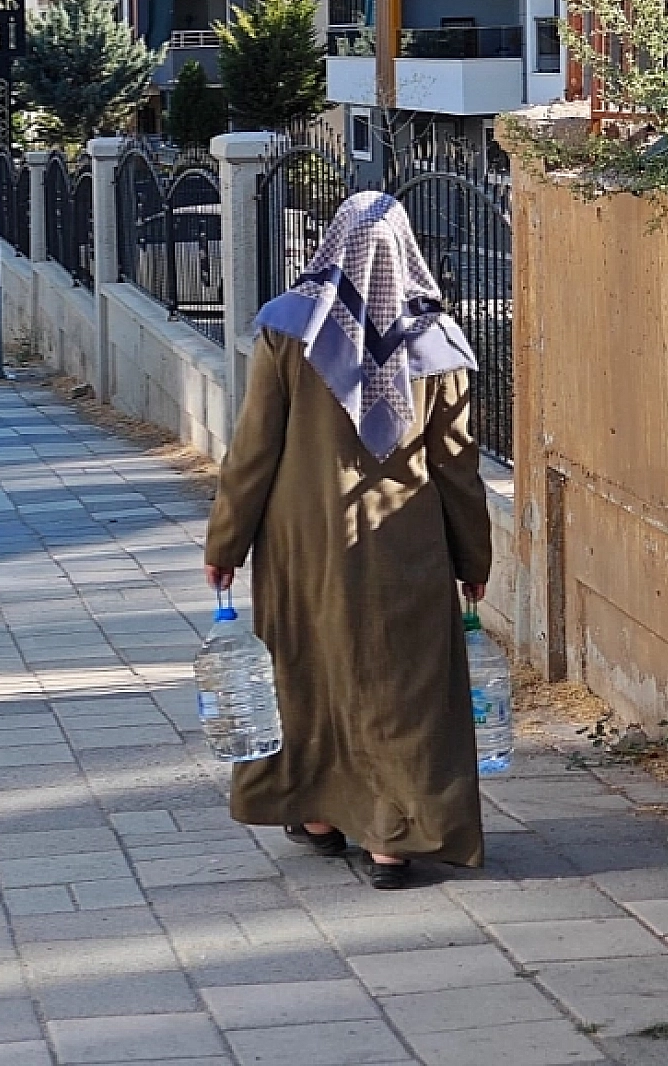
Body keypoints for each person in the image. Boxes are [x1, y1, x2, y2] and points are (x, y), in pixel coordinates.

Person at [203, 191, 492, 890]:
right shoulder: (438, 342)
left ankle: (323, 814)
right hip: (406, 546)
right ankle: (392, 840)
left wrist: (225, 545)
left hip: (304, 544)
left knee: (311, 671)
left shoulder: (288, 328)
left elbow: (252, 453)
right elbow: (456, 465)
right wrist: (472, 557)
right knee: (402, 686)